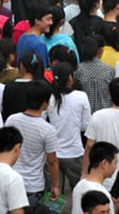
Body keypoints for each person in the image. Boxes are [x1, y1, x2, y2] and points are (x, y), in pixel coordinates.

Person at [5, 80, 60, 206]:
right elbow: (52, 161)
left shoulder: (12, 119)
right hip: (33, 185)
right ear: (45, 103)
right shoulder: (47, 129)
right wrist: (55, 185)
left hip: (10, 179)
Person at [48, 62, 91, 205]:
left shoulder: (49, 98)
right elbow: (86, 125)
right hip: (75, 152)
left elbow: (42, 121)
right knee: (79, 194)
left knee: (54, 193)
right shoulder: (81, 96)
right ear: (71, 78)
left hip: (53, 154)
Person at [73, 141, 118, 214]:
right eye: (115, 163)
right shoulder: (103, 194)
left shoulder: (79, 186)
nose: (116, 167)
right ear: (104, 164)